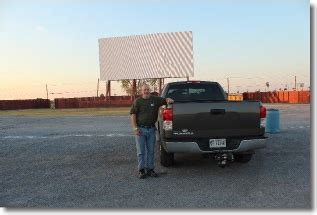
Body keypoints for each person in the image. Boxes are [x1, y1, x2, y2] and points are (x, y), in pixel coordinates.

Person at [130, 84, 174, 179]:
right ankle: (141, 170)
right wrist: (135, 128)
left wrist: (168, 100)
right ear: (141, 91)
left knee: (151, 151)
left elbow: (164, 100)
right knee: (141, 152)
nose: (146, 91)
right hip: (140, 130)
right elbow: (133, 115)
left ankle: (150, 169)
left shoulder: (155, 99)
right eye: (144, 90)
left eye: (148, 89)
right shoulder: (138, 101)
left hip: (151, 130)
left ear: (150, 90)